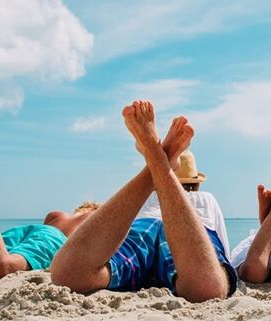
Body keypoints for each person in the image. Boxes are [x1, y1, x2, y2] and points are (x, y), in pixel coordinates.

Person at [50, 100, 237, 302]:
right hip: (189, 234)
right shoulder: (205, 198)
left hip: (144, 227)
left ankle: (154, 159)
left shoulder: (144, 195)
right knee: (207, 289)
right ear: (196, 184)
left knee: (69, 275)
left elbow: (120, 227)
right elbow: (223, 253)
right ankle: (158, 158)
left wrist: (156, 167)